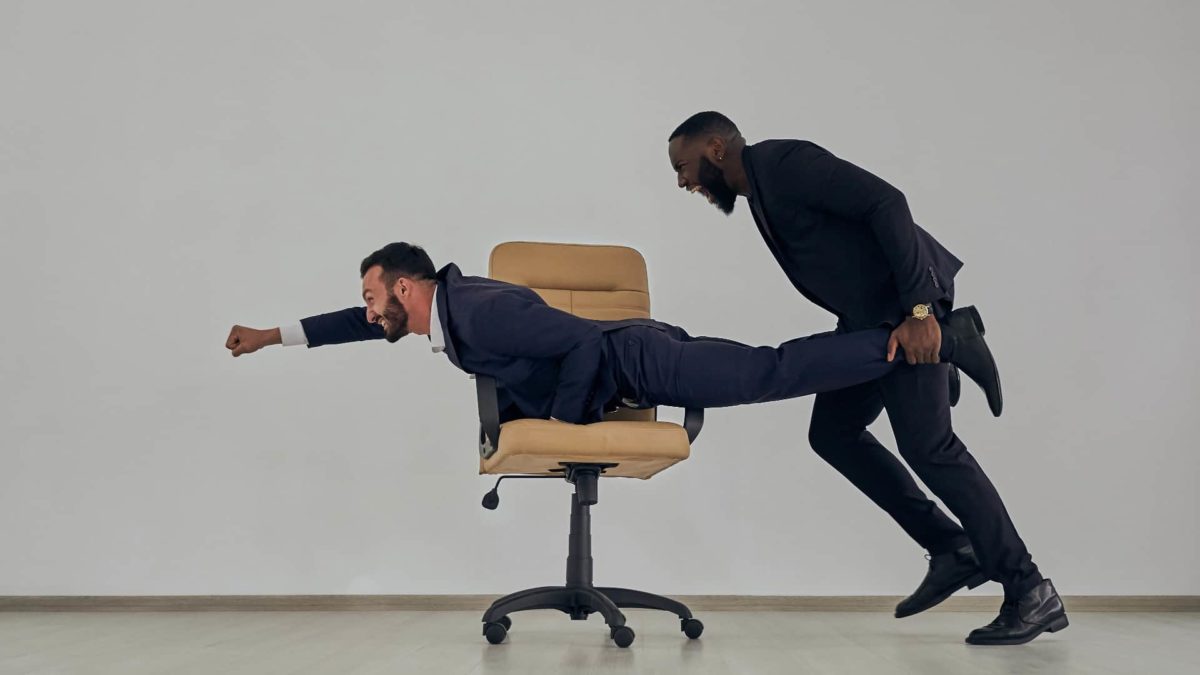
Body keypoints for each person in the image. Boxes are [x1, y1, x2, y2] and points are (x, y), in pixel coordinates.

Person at [666, 111, 1066, 645]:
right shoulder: (759, 187)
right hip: (867, 322)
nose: (683, 181)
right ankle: (951, 547)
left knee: (931, 449)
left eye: (683, 166)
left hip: (903, 315)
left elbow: (887, 202)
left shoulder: (784, 162)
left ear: (716, 148)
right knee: (833, 434)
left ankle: (1029, 589)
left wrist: (920, 312)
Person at [226, 241, 996, 431]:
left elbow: (584, 345)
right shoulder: (449, 311)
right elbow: (352, 326)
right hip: (635, 355)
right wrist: (271, 335)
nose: (368, 312)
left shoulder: (478, 311)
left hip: (637, 357)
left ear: (404, 287)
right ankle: (913, 360)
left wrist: (567, 422)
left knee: (769, 373)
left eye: (372, 297)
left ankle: (930, 340)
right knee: (771, 370)